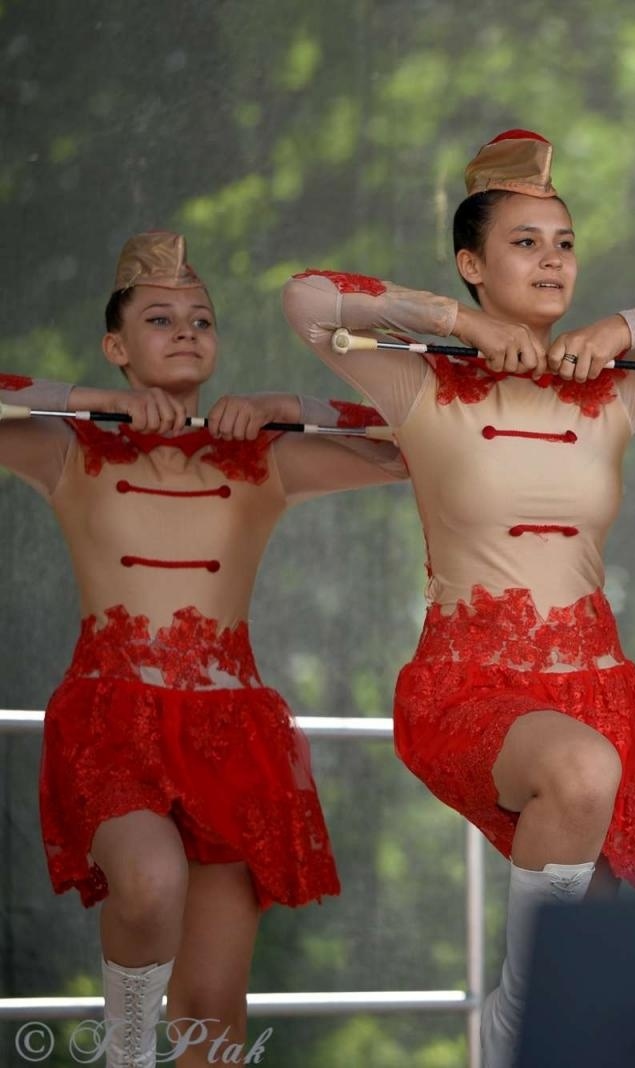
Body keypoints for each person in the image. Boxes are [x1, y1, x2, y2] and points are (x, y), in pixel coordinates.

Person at [280, 128, 635, 1065]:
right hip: (469, 686)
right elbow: (309, 297)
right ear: (472, 264)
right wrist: (468, 330)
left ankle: (552, 1029)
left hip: (600, 692)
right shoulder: (415, 378)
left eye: (563, 243)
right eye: (524, 243)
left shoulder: (617, 390)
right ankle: (515, 1021)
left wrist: (623, 330)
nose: (552, 261)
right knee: (582, 779)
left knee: (628, 961)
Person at [0, 230, 405, 1067]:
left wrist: (296, 407)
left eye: (202, 319)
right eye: (159, 318)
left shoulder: (267, 455)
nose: (187, 331)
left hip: (234, 735)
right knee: (147, 882)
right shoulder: (68, 446)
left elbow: (428, 439)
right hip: (112, 720)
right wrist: (89, 399)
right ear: (117, 347)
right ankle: (126, 1052)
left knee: (215, 1016)